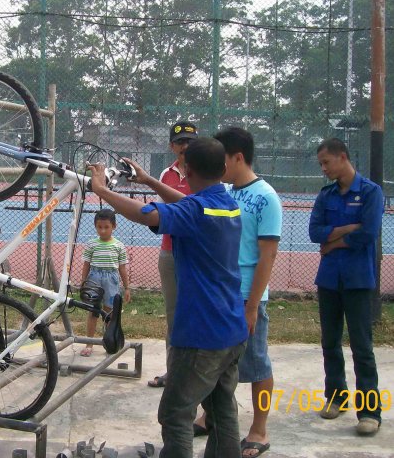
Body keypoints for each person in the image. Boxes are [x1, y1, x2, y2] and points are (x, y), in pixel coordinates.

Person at [89, 137, 248, 458]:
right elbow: (186, 204)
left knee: (176, 414)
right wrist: (149, 181)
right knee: (222, 412)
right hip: (232, 330)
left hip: (201, 336)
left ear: (186, 170)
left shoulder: (196, 211)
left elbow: (149, 214)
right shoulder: (226, 205)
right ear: (223, 168)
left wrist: (103, 192)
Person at [194, 127, 282, 457]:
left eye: (222, 159)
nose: (218, 166)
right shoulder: (227, 191)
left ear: (238, 158)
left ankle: (259, 429)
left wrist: (252, 306)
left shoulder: (266, 197)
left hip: (247, 296)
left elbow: (267, 255)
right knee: (216, 363)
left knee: (257, 365)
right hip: (222, 293)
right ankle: (211, 416)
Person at [309, 137, 383, 436]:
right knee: (330, 342)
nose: (324, 169)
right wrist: (345, 229)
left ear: (342, 157)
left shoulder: (370, 192)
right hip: (329, 280)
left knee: (362, 347)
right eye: (321, 164)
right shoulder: (326, 195)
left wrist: (334, 242)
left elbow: (368, 234)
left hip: (357, 280)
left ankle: (369, 411)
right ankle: (336, 397)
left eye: (326, 162)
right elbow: (315, 233)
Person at [147, 120, 196, 388]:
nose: (185, 146)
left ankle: (197, 375)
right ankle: (175, 372)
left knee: (198, 314)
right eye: (180, 142)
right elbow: (169, 213)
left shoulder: (206, 171)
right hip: (170, 253)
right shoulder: (167, 175)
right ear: (172, 146)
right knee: (174, 315)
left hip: (198, 254)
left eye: (190, 141)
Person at [80, 208, 131, 356]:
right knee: (93, 311)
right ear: (95, 226)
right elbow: (86, 265)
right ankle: (89, 343)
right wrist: (84, 282)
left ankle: (110, 343)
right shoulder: (91, 244)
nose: (102, 231)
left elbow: (122, 268)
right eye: (99, 227)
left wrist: (127, 288)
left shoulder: (119, 246)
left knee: (109, 313)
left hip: (111, 279)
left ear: (114, 226)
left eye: (106, 227)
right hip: (94, 279)